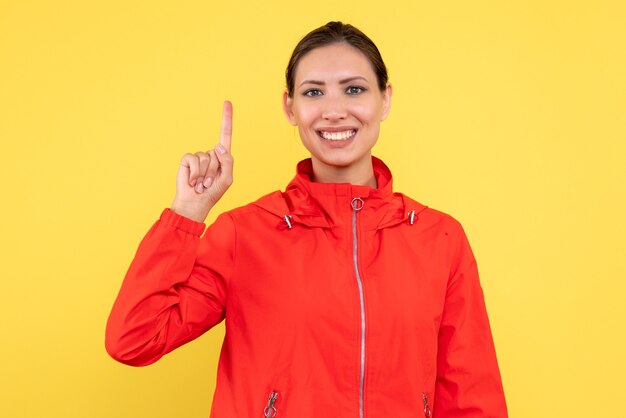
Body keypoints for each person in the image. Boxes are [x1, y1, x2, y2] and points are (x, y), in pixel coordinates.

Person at [105, 21, 508, 418]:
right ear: (290, 107)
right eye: (314, 92)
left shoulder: (439, 238)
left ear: (385, 99)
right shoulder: (244, 234)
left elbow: (471, 394)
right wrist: (186, 214)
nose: (334, 111)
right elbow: (135, 339)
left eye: (354, 89)